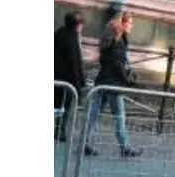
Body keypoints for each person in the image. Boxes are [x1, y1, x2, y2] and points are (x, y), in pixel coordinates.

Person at [83, 10, 142, 158]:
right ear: (122, 24)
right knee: (120, 117)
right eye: (130, 23)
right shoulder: (118, 41)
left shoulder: (108, 40)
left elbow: (110, 62)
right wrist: (128, 80)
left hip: (102, 82)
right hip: (113, 85)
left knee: (93, 115)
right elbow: (118, 65)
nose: (132, 26)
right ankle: (125, 147)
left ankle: (85, 144)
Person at [54, 11, 86, 142]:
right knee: (64, 107)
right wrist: (80, 82)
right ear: (77, 25)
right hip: (67, 79)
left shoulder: (58, 34)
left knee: (56, 106)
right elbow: (75, 62)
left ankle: (58, 129)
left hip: (56, 76)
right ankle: (60, 130)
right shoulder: (72, 38)